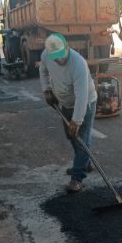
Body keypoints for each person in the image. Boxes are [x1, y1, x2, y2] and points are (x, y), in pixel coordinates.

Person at [40, 33, 97, 193]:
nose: (59, 60)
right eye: (55, 57)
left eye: (61, 55)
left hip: (85, 103)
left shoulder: (78, 63)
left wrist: (77, 121)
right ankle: (84, 163)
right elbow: (43, 71)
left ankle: (77, 177)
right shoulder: (46, 55)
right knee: (70, 135)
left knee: (81, 139)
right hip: (65, 102)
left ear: (67, 47)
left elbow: (82, 96)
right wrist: (46, 90)